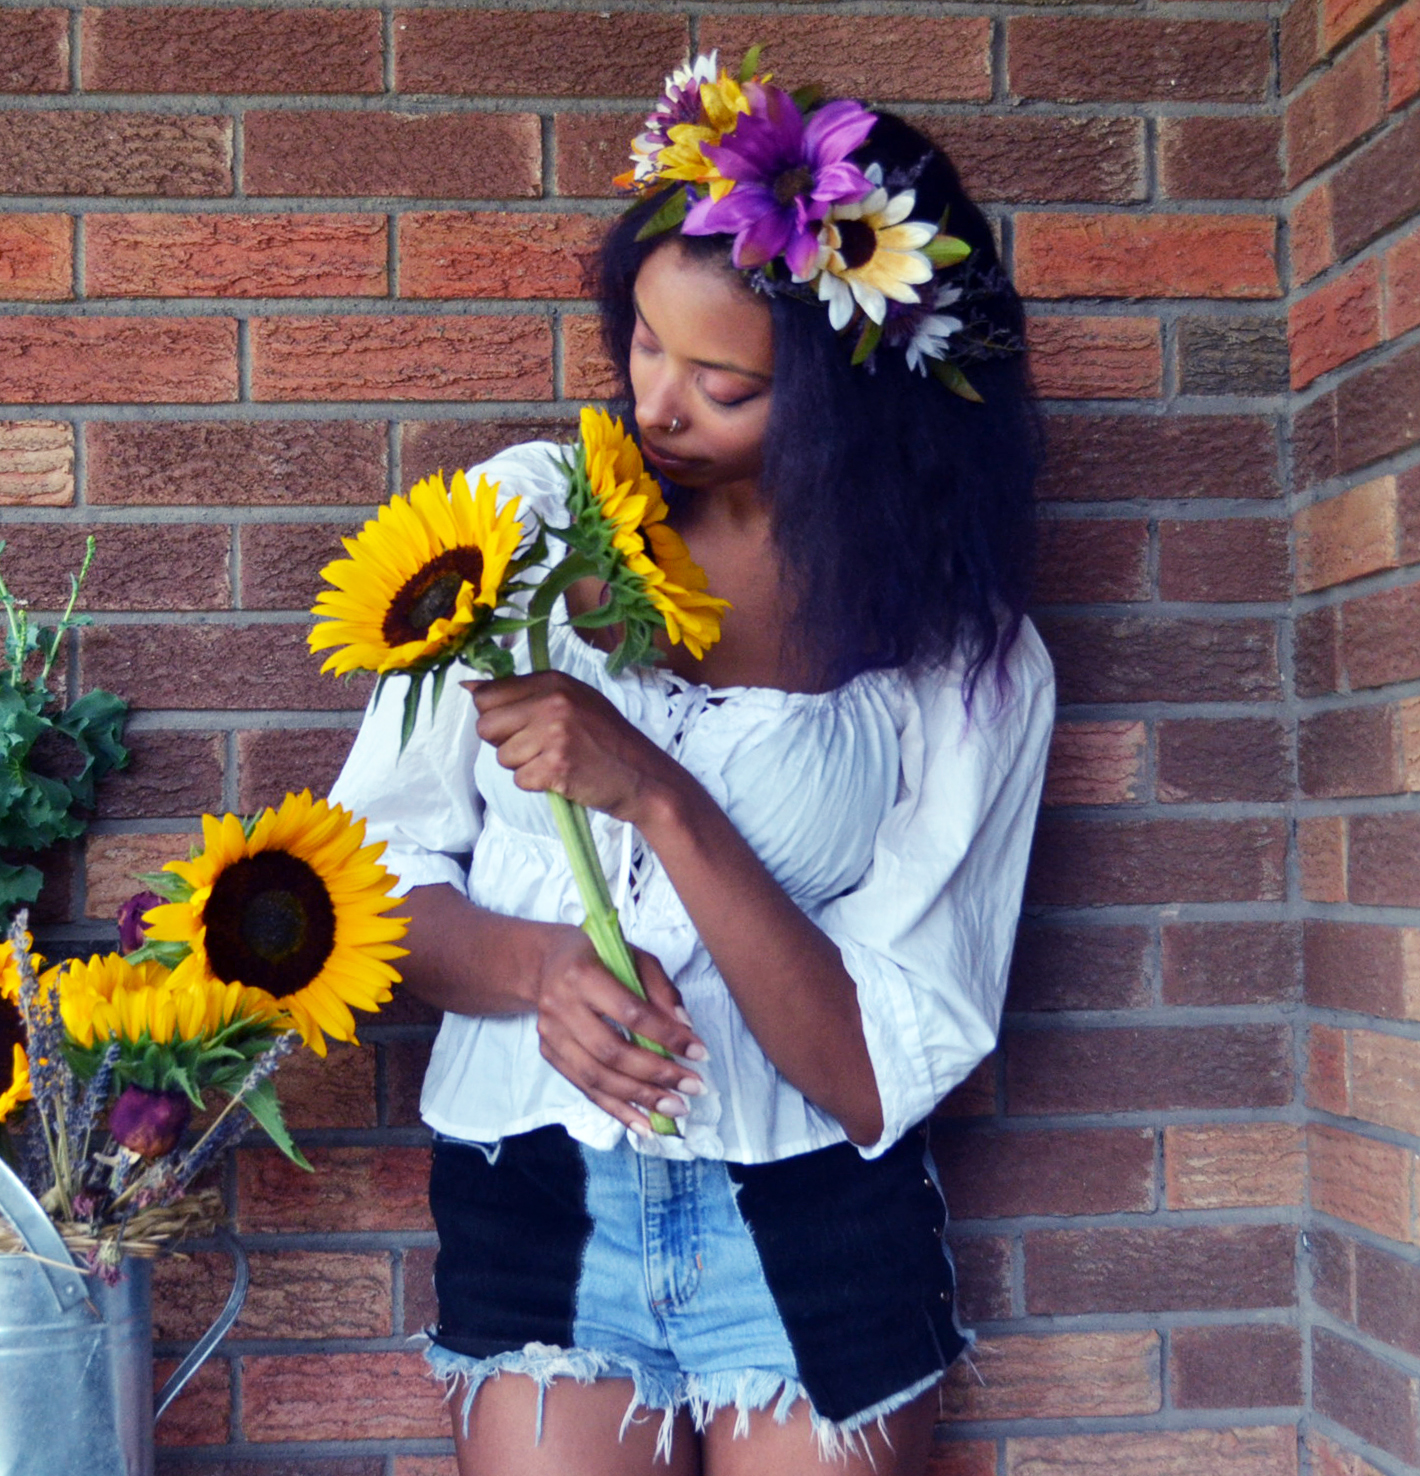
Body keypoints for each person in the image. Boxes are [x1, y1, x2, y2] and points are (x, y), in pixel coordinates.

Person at [328, 54, 1054, 1476]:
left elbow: (863, 1069)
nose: (657, 403)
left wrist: (653, 791)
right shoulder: (518, 528)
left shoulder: (961, 663)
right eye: (645, 344)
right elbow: (373, 875)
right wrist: (538, 971)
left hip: (817, 1221)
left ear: (862, 406)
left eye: (721, 381)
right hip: (542, 1187)